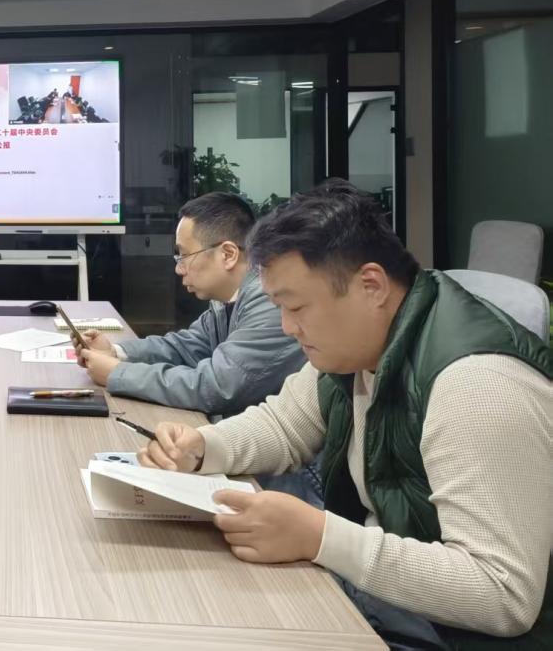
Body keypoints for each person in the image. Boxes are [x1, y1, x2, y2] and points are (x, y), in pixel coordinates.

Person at [138, 180, 553, 649]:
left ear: (370, 285)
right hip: (385, 598)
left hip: (445, 633)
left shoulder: (478, 385)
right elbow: (284, 424)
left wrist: (321, 537)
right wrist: (202, 447)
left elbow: (502, 594)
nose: (287, 327)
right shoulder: (355, 347)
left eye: (296, 307)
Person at [79, 192, 303, 416]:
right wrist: (115, 352)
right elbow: (185, 347)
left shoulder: (270, 302)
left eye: (185, 255)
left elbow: (216, 387)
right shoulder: (227, 301)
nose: (179, 269)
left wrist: (117, 373)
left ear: (228, 254)